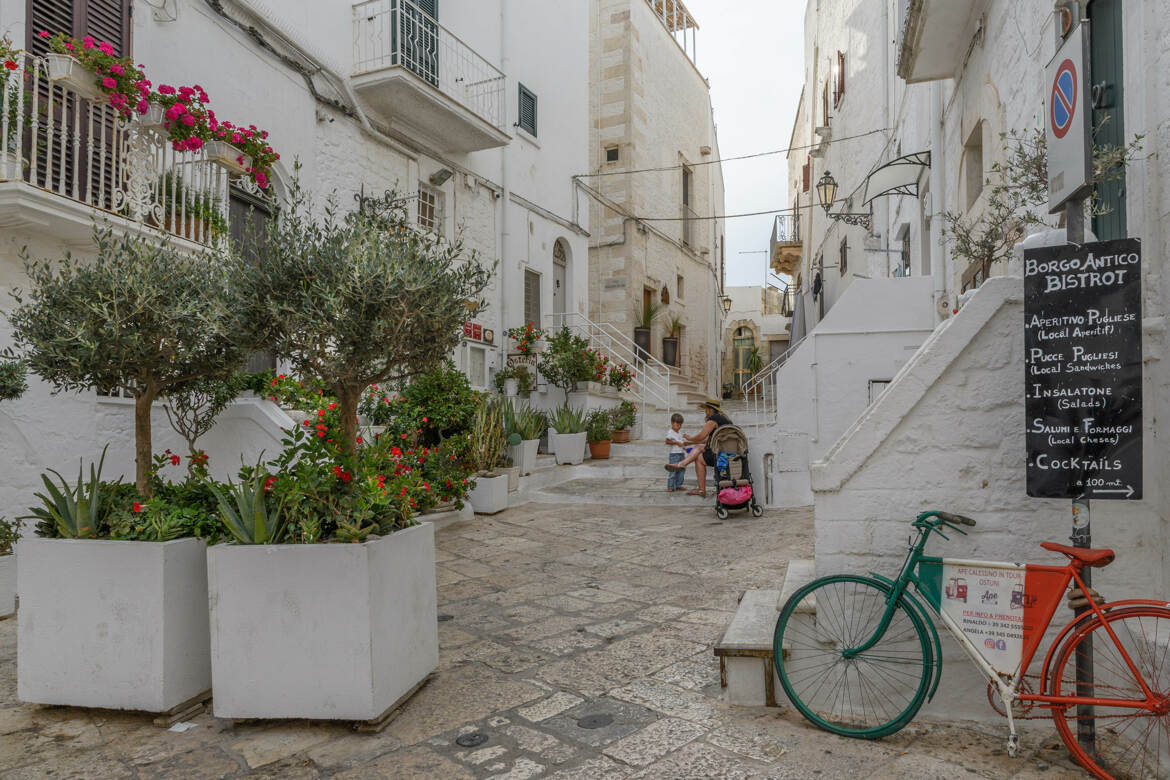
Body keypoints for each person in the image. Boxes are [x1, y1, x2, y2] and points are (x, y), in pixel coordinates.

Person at [665, 399, 732, 497]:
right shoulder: (723, 418)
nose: (705, 411)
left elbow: (701, 436)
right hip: (727, 450)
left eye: (706, 409)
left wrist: (691, 438)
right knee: (699, 447)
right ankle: (682, 464)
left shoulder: (713, 419)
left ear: (709, 409)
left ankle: (701, 489)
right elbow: (707, 441)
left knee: (699, 457)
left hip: (721, 453)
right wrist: (689, 442)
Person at [665, 413, 687, 491]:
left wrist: (685, 449)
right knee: (673, 470)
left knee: (681, 470)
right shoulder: (670, 432)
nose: (679, 427)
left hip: (681, 454)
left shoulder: (679, 432)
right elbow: (667, 441)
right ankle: (670, 486)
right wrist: (676, 443)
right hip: (674, 455)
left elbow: (681, 443)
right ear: (672, 423)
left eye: (680, 425)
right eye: (677, 425)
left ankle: (678, 485)